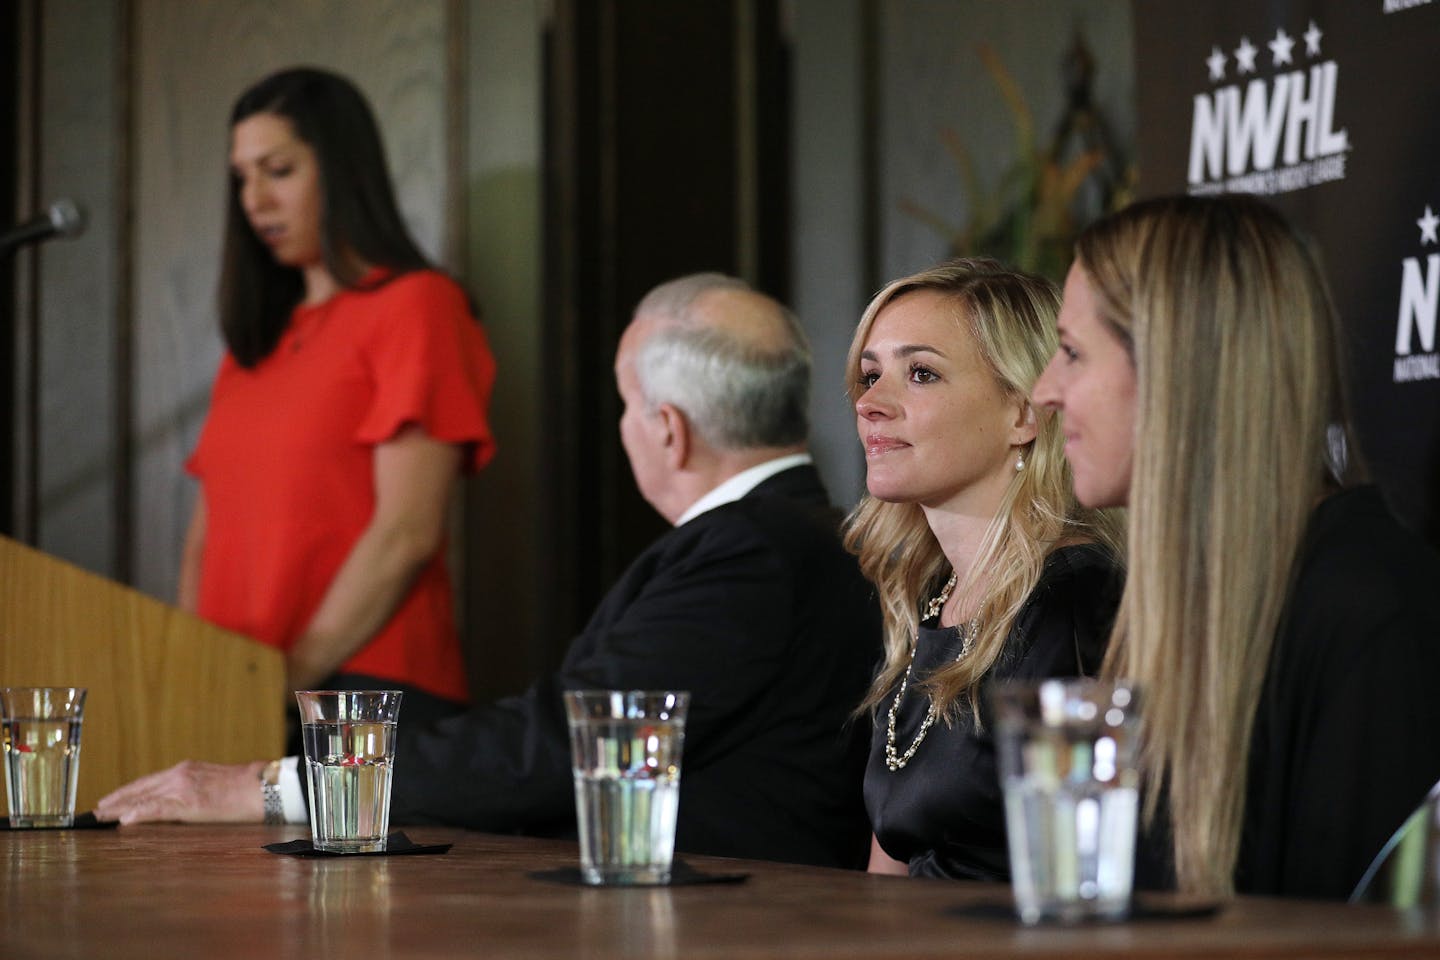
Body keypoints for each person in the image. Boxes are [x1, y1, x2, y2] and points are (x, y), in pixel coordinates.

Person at [97, 273, 883, 870]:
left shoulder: (752, 555)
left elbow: (562, 744)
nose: (623, 427)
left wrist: (271, 788)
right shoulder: (802, 535)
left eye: (623, 404)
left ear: (667, 430)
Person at [1032, 194, 1440, 900]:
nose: (1043, 391)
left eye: (1070, 353)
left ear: (1180, 367)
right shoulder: (1193, 602)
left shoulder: (1368, 606)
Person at [185, 67, 496, 715]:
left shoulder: (417, 306)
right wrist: (193, 675)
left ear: (341, 169)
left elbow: (406, 530)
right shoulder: (253, 347)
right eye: (242, 177)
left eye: (278, 170)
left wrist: (290, 677)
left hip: (363, 695)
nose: (254, 200)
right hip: (237, 699)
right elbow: (205, 532)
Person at [846, 258, 1123, 880]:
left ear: (1024, 413)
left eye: (919, 373)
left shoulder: (1076, 599)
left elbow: (1089, 877)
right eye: (869, 376)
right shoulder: (927, 597)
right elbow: (887, 871)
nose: (871, 404)